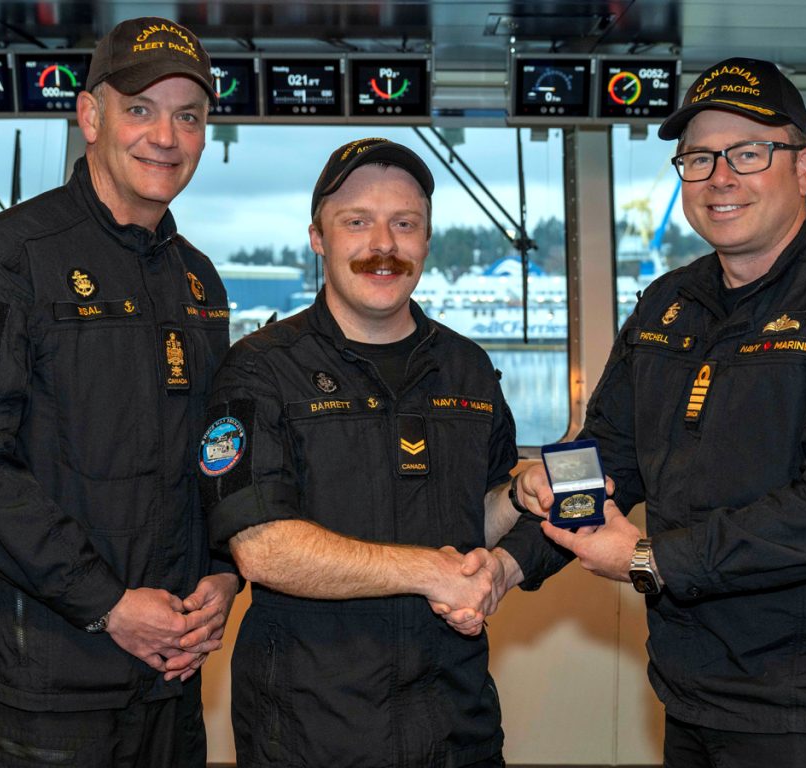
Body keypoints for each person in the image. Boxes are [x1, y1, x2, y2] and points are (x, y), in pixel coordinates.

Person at [519, 57, 806, 767]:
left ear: (802, 168)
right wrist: (523, 532)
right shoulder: (667, 305)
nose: (721, 177)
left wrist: (652, 558)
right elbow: (611, 452)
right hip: (692, 685)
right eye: (699, 157)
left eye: (748, 152)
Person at [0, 17, 238, 767]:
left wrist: (225, 572)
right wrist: (108, 605)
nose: (166, 135)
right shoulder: (6, 259)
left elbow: (220, 452)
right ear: (89, 115)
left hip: (172, 674)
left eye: (188, 116)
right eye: (140, 109)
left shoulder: (200, 282)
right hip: (50, 689)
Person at [200, 137, 560, 767]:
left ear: (425, 240)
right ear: (318, 238)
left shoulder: (467, 369)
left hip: (456, 723)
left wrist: (518, 493)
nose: (383, 246)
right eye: (357, 222)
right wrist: (430, 571)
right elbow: (261, 547)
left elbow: (472, 520)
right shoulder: (260, 370)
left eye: (404, 224)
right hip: (310, 732)